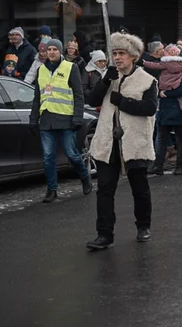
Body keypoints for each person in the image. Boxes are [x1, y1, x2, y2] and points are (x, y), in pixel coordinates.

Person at [84, 33, 158, 249]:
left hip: (134, 142)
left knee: (139, 188)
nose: (117, 58)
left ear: (133, 56)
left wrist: (123, 102)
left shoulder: (147, 80)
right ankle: (104, 233)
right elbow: (92, 100)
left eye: (121, 54)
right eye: (114, 53)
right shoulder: (109, 77)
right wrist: (106, 80)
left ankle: (143, 225)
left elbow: (150, 108)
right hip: (109, 143)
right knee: (105, 190)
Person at [29, 37, 93, 202]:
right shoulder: (41, 70)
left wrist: (77, 118)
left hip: (66, 118)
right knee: (48, 156)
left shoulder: (70, 68)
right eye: (49, 50)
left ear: (60, 51)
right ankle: (52, 190)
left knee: (71, 153)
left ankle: (85, 177)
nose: (51, 52)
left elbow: (79, 96)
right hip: (47, 119)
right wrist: (33, 119)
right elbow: (37, 98)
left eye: (54, 49)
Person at [149, 47, 182, 176]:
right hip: (164, 109)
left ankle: (179, 166)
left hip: (178, 109)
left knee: (180, 139)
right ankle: (158, 166)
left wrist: (165, 93)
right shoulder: (163, 71)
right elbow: (156, 84)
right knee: (162, 138)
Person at [141, 44, 182, 123]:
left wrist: (145, 63)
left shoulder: (165, 63)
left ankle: (157, 109)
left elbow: (154, 66)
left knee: (158, 99)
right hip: (176, 85)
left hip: (165, 85)